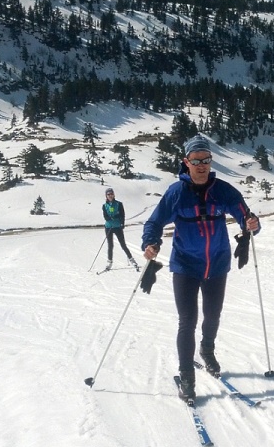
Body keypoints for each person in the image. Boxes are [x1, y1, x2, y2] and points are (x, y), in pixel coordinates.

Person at [141, 134, 261, 402]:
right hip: (185, 266)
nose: (201, 165)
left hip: (217, 264)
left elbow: (246, 216)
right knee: (187, 321)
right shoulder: (176, 193)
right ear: (187, 162)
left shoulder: (224, 190)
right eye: (196, 160)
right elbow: (154, 223)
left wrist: (252, 225)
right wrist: (150, 243)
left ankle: (207, 350)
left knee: (213, 315)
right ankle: (186, 375)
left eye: (206, 159)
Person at [102, 188, 138, 270]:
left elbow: (122, 215)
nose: (110, 196)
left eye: (111, 194)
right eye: (108, 194)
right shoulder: (104, 206)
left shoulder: (119, 204)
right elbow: (106, 217)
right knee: (110, 245)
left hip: (118, 227)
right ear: (106, 196)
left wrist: (122, 223)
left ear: (114, 195)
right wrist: (114, 216)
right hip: (109, 227)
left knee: (123, 245)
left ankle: (132, 260)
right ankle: (109, 262)